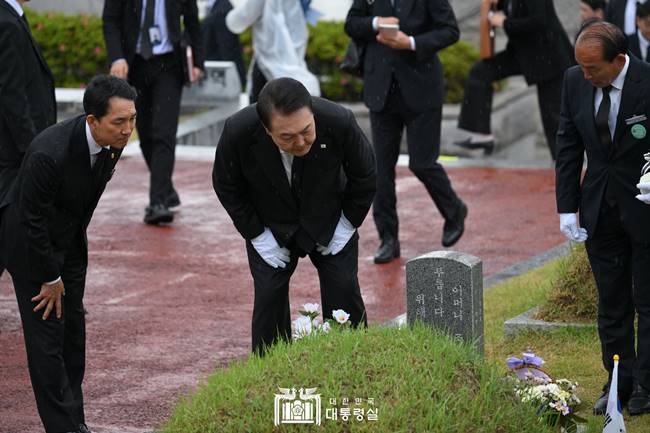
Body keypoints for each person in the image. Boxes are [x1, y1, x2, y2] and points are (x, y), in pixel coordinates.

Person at [0, 75, 137, 433]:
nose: (128, 130)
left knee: (73, 333)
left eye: (132, 119)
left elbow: (82, 204)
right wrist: (49, 276)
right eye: (119, 122)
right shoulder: (49, 152)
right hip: (32, 249)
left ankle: (76, 421)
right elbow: (31, 221)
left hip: (70, 243)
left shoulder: (112, 143)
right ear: (93, 120)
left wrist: (70, 260)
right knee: (47, 341)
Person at [213, 78, 375, 354]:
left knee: (343, 290)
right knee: (268, 299)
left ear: (312, 113)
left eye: (306, 131)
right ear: (266, 129)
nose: (300, 142)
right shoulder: (238, 131)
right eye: (287, 137)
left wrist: (346, 225)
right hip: (270, 224)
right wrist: (257, 235)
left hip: (329, 218)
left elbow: (366, 175)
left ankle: (354, 361)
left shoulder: (339, 121)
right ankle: (269, 372)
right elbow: (226, 185)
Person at [556, 20, 650, 416]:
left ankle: (646, 384)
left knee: (647, 301)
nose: (586, 74)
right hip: (599, 208)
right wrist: (566, 206)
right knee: (611, 302)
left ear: (619, 60)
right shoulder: (575, 81)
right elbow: (568, 143)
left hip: (645, 207)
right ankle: (617, 381)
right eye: (581, 65)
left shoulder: (647, 81)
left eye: (593, 67)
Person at [345, 0, 467, 265]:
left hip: (422, 89)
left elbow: (450, 30)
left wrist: (410, 42)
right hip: (380, 90)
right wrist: (377, 23)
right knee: (381, 170)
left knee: (423, 163)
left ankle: (454, 210)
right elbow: (351, 24)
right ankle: (388, 238)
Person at [102, 0, 204, 225]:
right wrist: (117, 56)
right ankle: (165, 188)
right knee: (145, 134)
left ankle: (158, 202)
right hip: (135, 65)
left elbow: (192, 22)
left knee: (163, 132)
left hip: (169, 65)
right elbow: (110, 20)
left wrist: (197, 61)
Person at [454, 0, 574, 160]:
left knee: (553, 119)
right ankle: (481, 134)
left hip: (550, 58)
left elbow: (539, 21)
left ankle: (565, 166)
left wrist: (504, 22)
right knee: (481, 72)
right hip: (523, 55)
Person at [0, 0, 56, 211]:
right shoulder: (7, 23)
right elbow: (11, 94)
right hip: (14, 151)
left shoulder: (11, 17)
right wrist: (31, 148)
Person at [225, 0, 320, 103]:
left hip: (268, 59)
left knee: (261, 110)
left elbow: (238, 21)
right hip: (293, 57)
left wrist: (228, 17)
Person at [202, 0, 246, 85]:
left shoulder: (222, 10)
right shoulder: (217, 7)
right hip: (216, 76)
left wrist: (234, 80)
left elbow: (228, 49)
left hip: (219, 79)